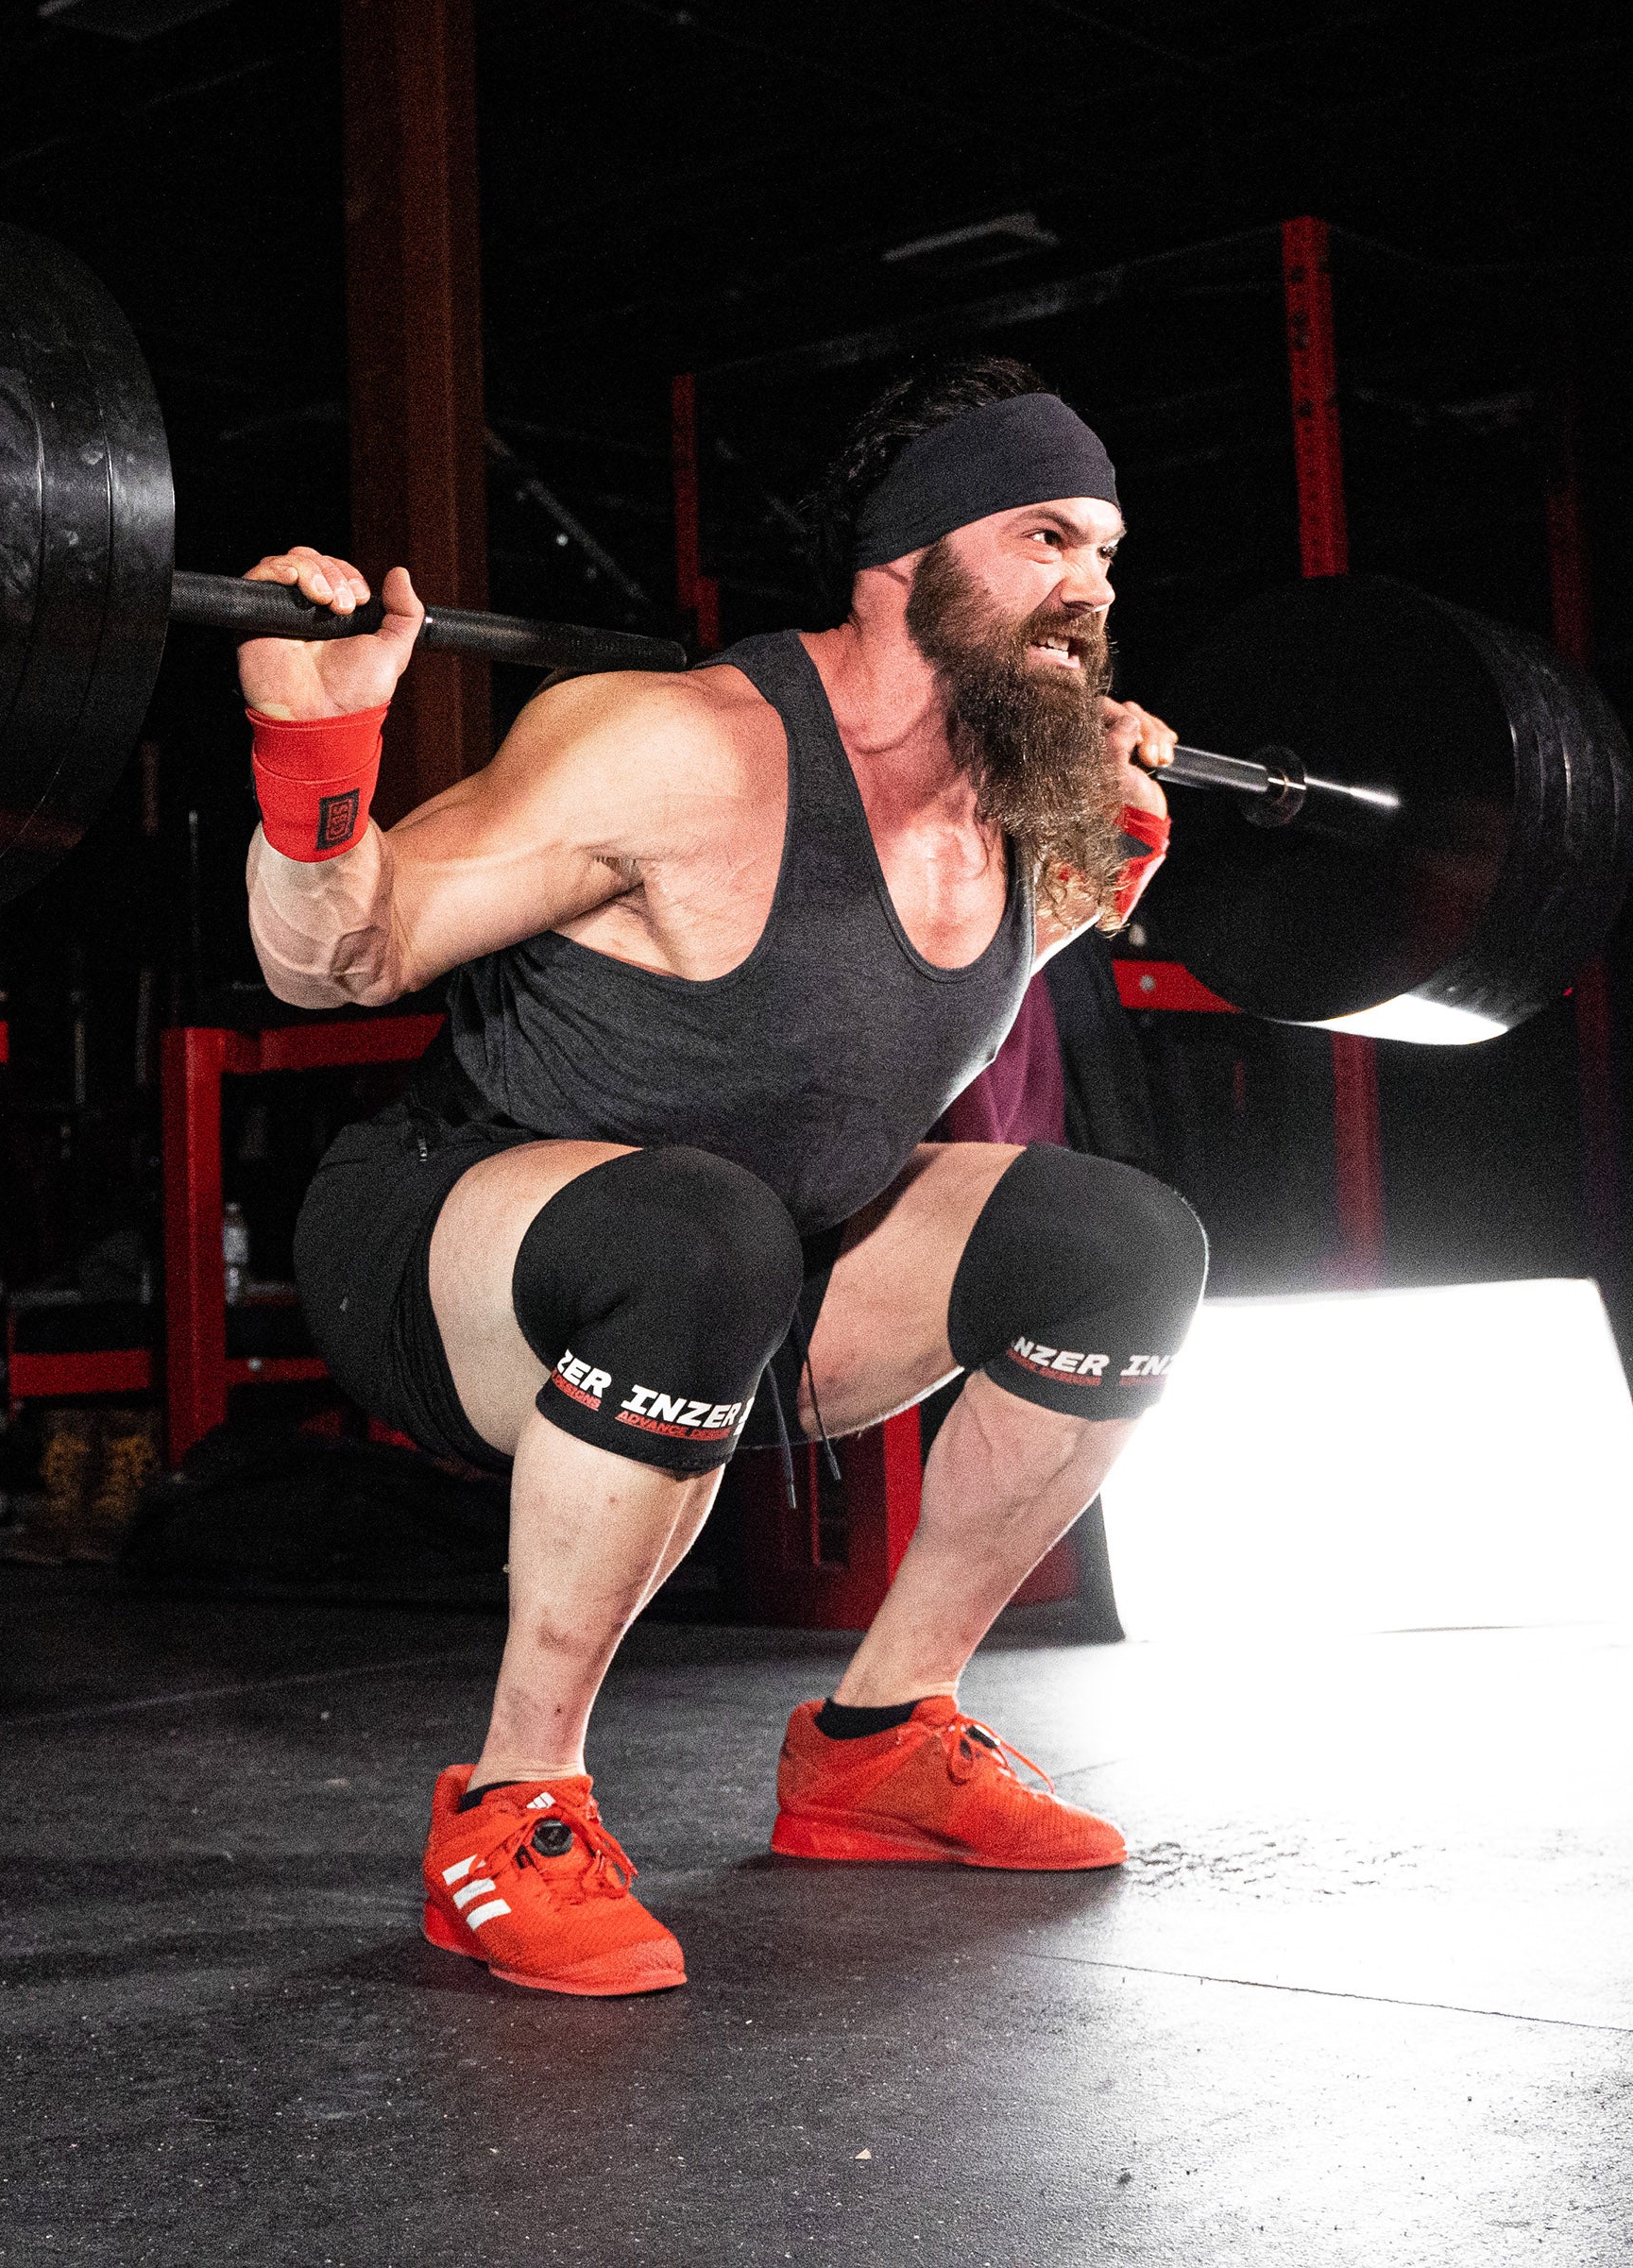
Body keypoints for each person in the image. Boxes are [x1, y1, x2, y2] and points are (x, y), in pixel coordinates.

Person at [240, 357, 1206, 1998]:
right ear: (905, 558)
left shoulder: (1015, 812)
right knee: (704, 1231)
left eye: (1104, 557)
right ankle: (510, 1803)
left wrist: (1093, 857)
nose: (1089, 593)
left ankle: (881, 1738)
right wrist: (309, 736)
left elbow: (868, 1064)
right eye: (1045, 538)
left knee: (1123, 1242)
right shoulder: (674, 748)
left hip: (754, 1271)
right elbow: (338, 960)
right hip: (449, 1242)